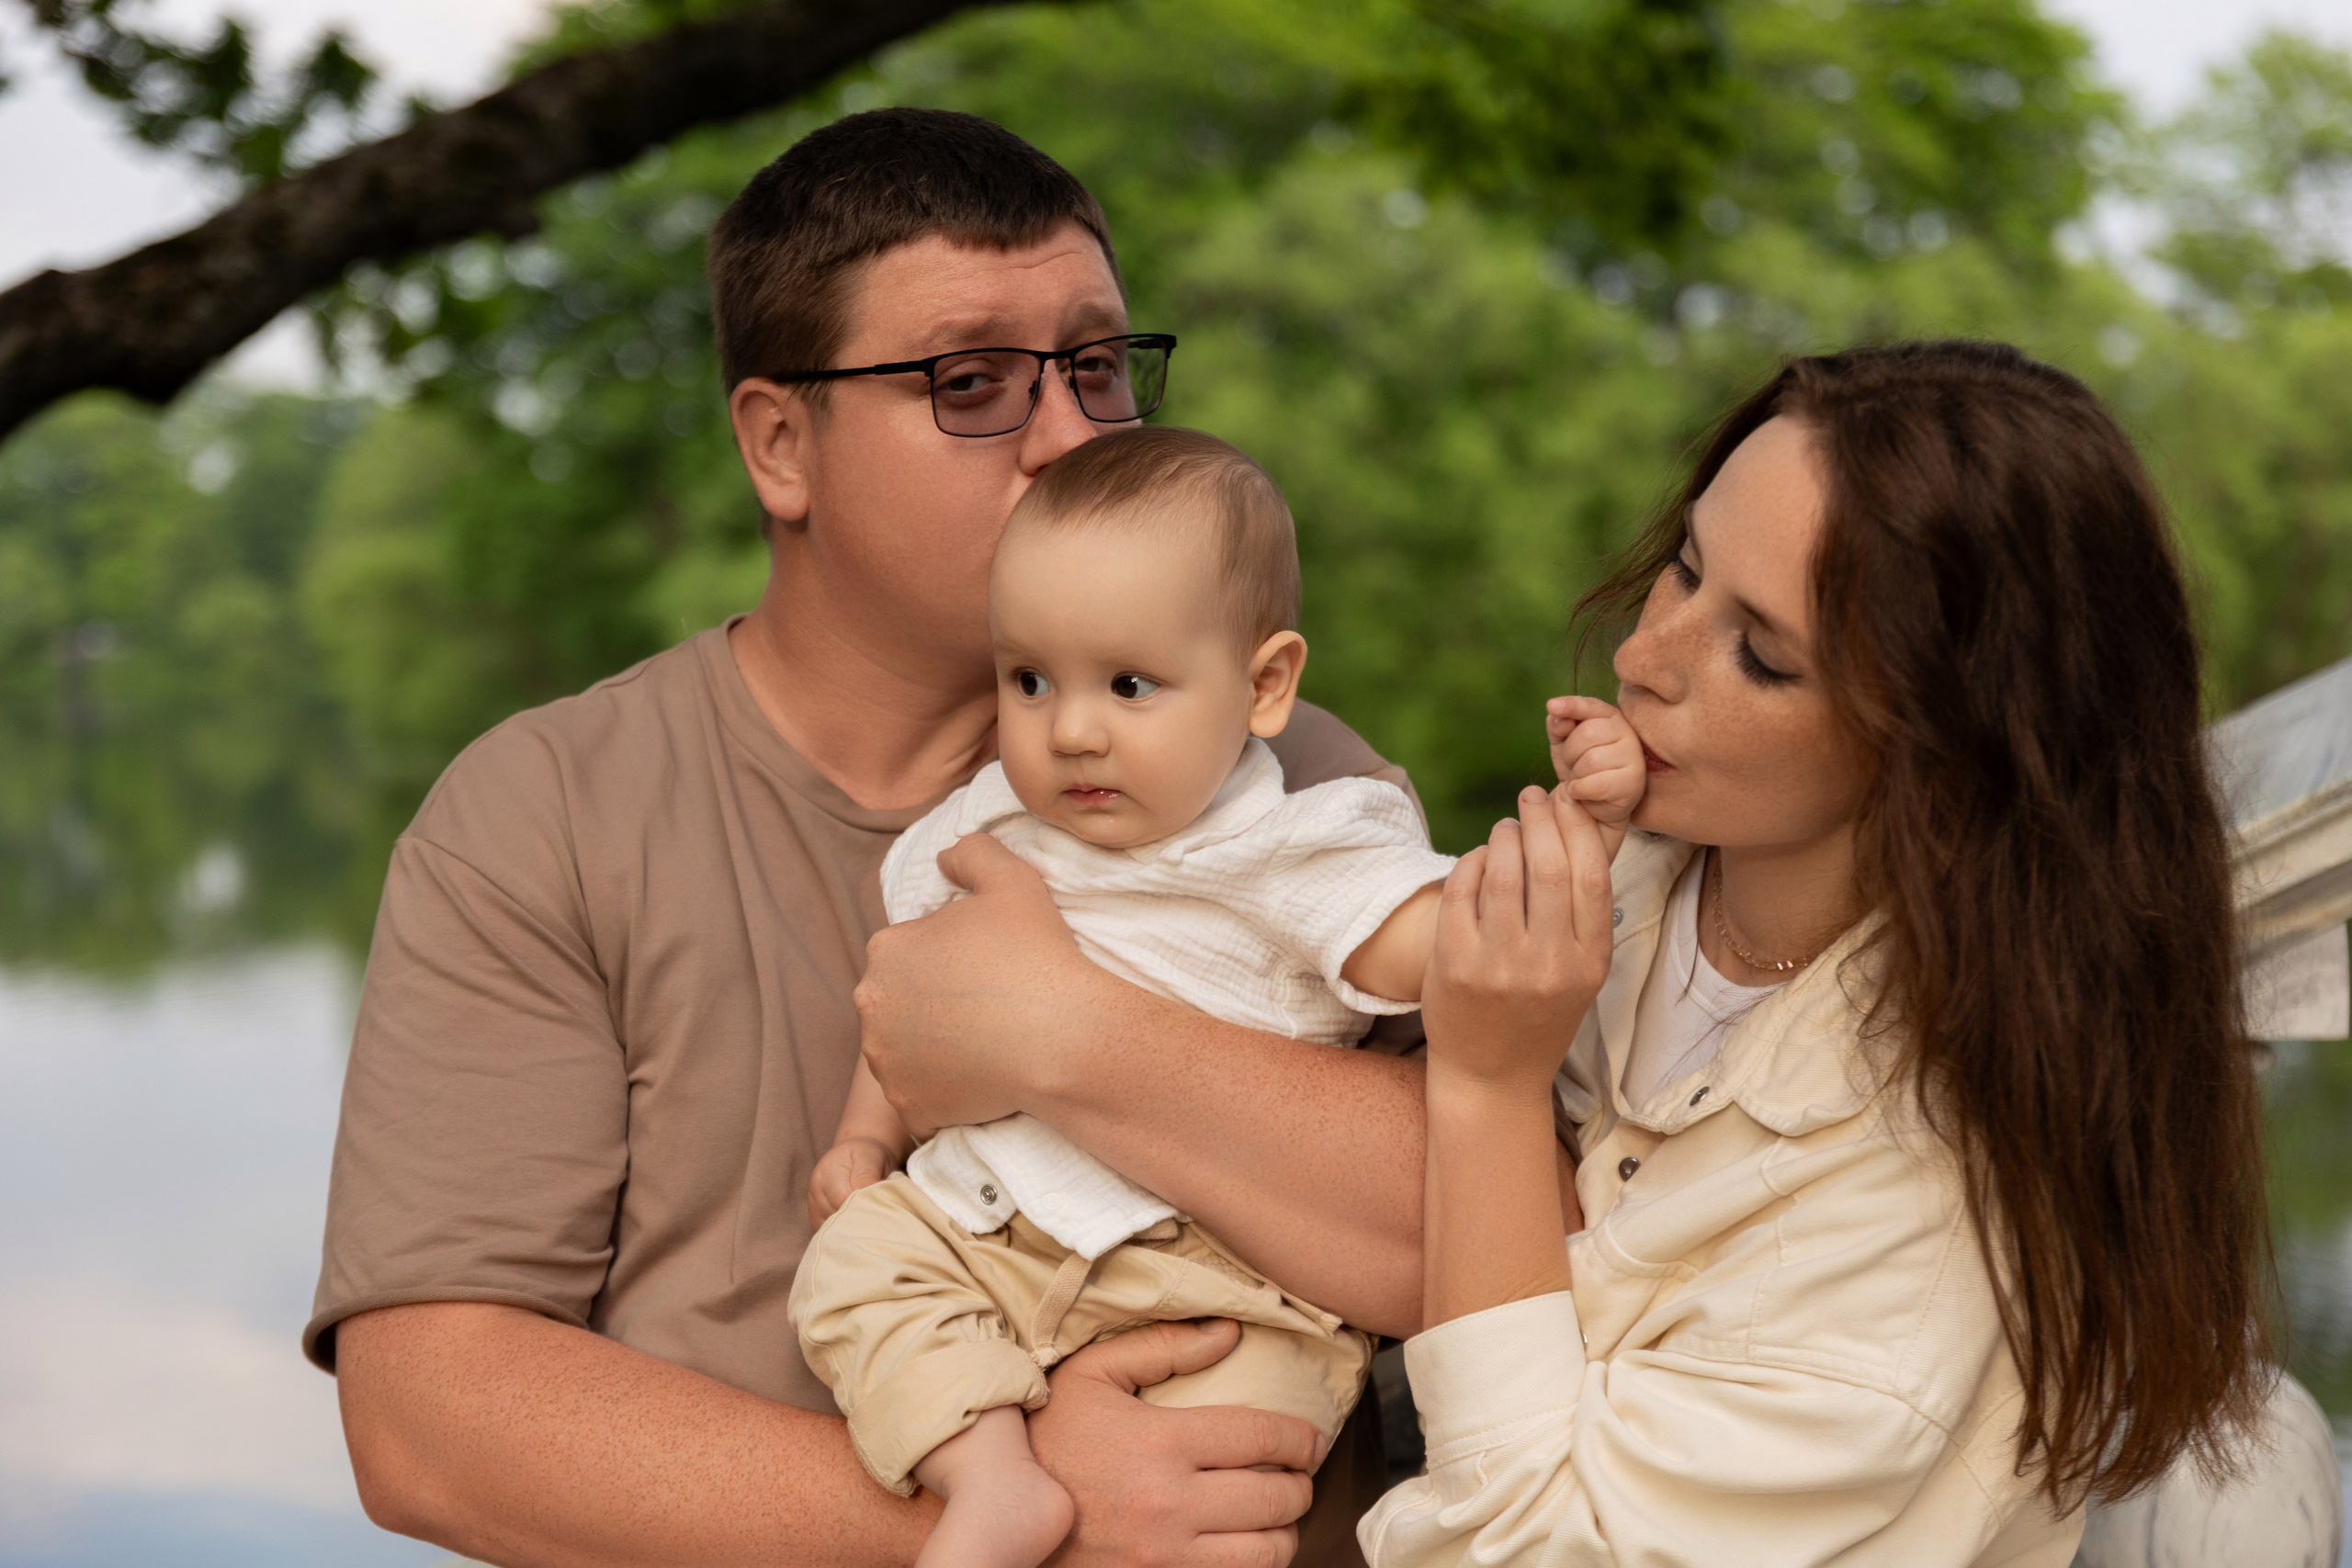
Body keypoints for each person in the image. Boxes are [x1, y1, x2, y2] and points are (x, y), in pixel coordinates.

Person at [308, 108, 1453, 1568]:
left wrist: (1075, 1036)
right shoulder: (543, 811)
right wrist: (985, 1511)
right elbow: (428, 1421)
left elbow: (1488, 1247)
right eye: (970, 383)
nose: (1070, 436)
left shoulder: (1275, 776)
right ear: (780, 443)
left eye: (1098, 368)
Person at [1355, 341, 2273, 1566]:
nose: (1643, 654)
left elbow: (1519, 1550)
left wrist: (1485, 1089)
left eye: (1762, 654)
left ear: (1953, 746)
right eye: (1682, 567)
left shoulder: (1932, 1215)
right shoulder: (1638, 871)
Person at [792, 426, 1457, 1568]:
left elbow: (1447, 955)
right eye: (1030, 680)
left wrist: (1575, 853)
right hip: (993, 1220)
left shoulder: (1301, 840)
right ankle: (989, 1479)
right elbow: (909, 993)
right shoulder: (989, 827)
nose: (1072, 728)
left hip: (1227, 1276)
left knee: (1219, 1495)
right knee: (852, 1271)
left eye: (1130, 684)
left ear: (1263, 686)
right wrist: (864, 1137)